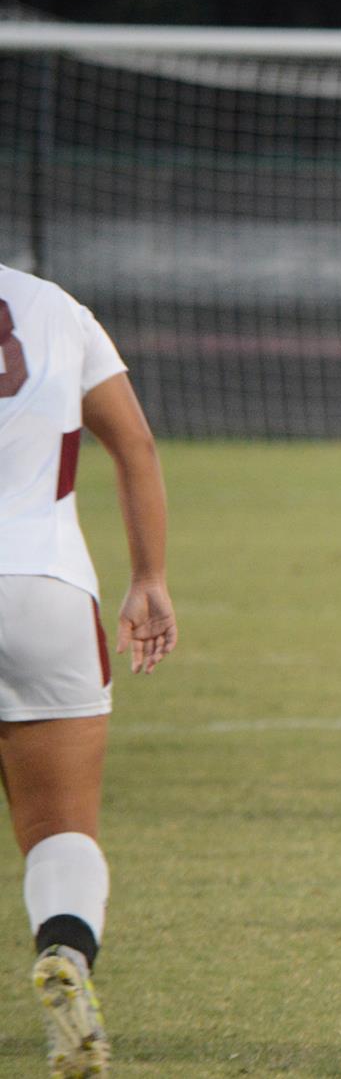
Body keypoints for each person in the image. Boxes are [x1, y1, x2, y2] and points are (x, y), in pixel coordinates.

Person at [0, 262, 177, 1078]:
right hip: (47, 589)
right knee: (61, 827)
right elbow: (133, 442)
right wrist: (149, 578)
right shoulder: (56, 306)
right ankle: (66, 950)